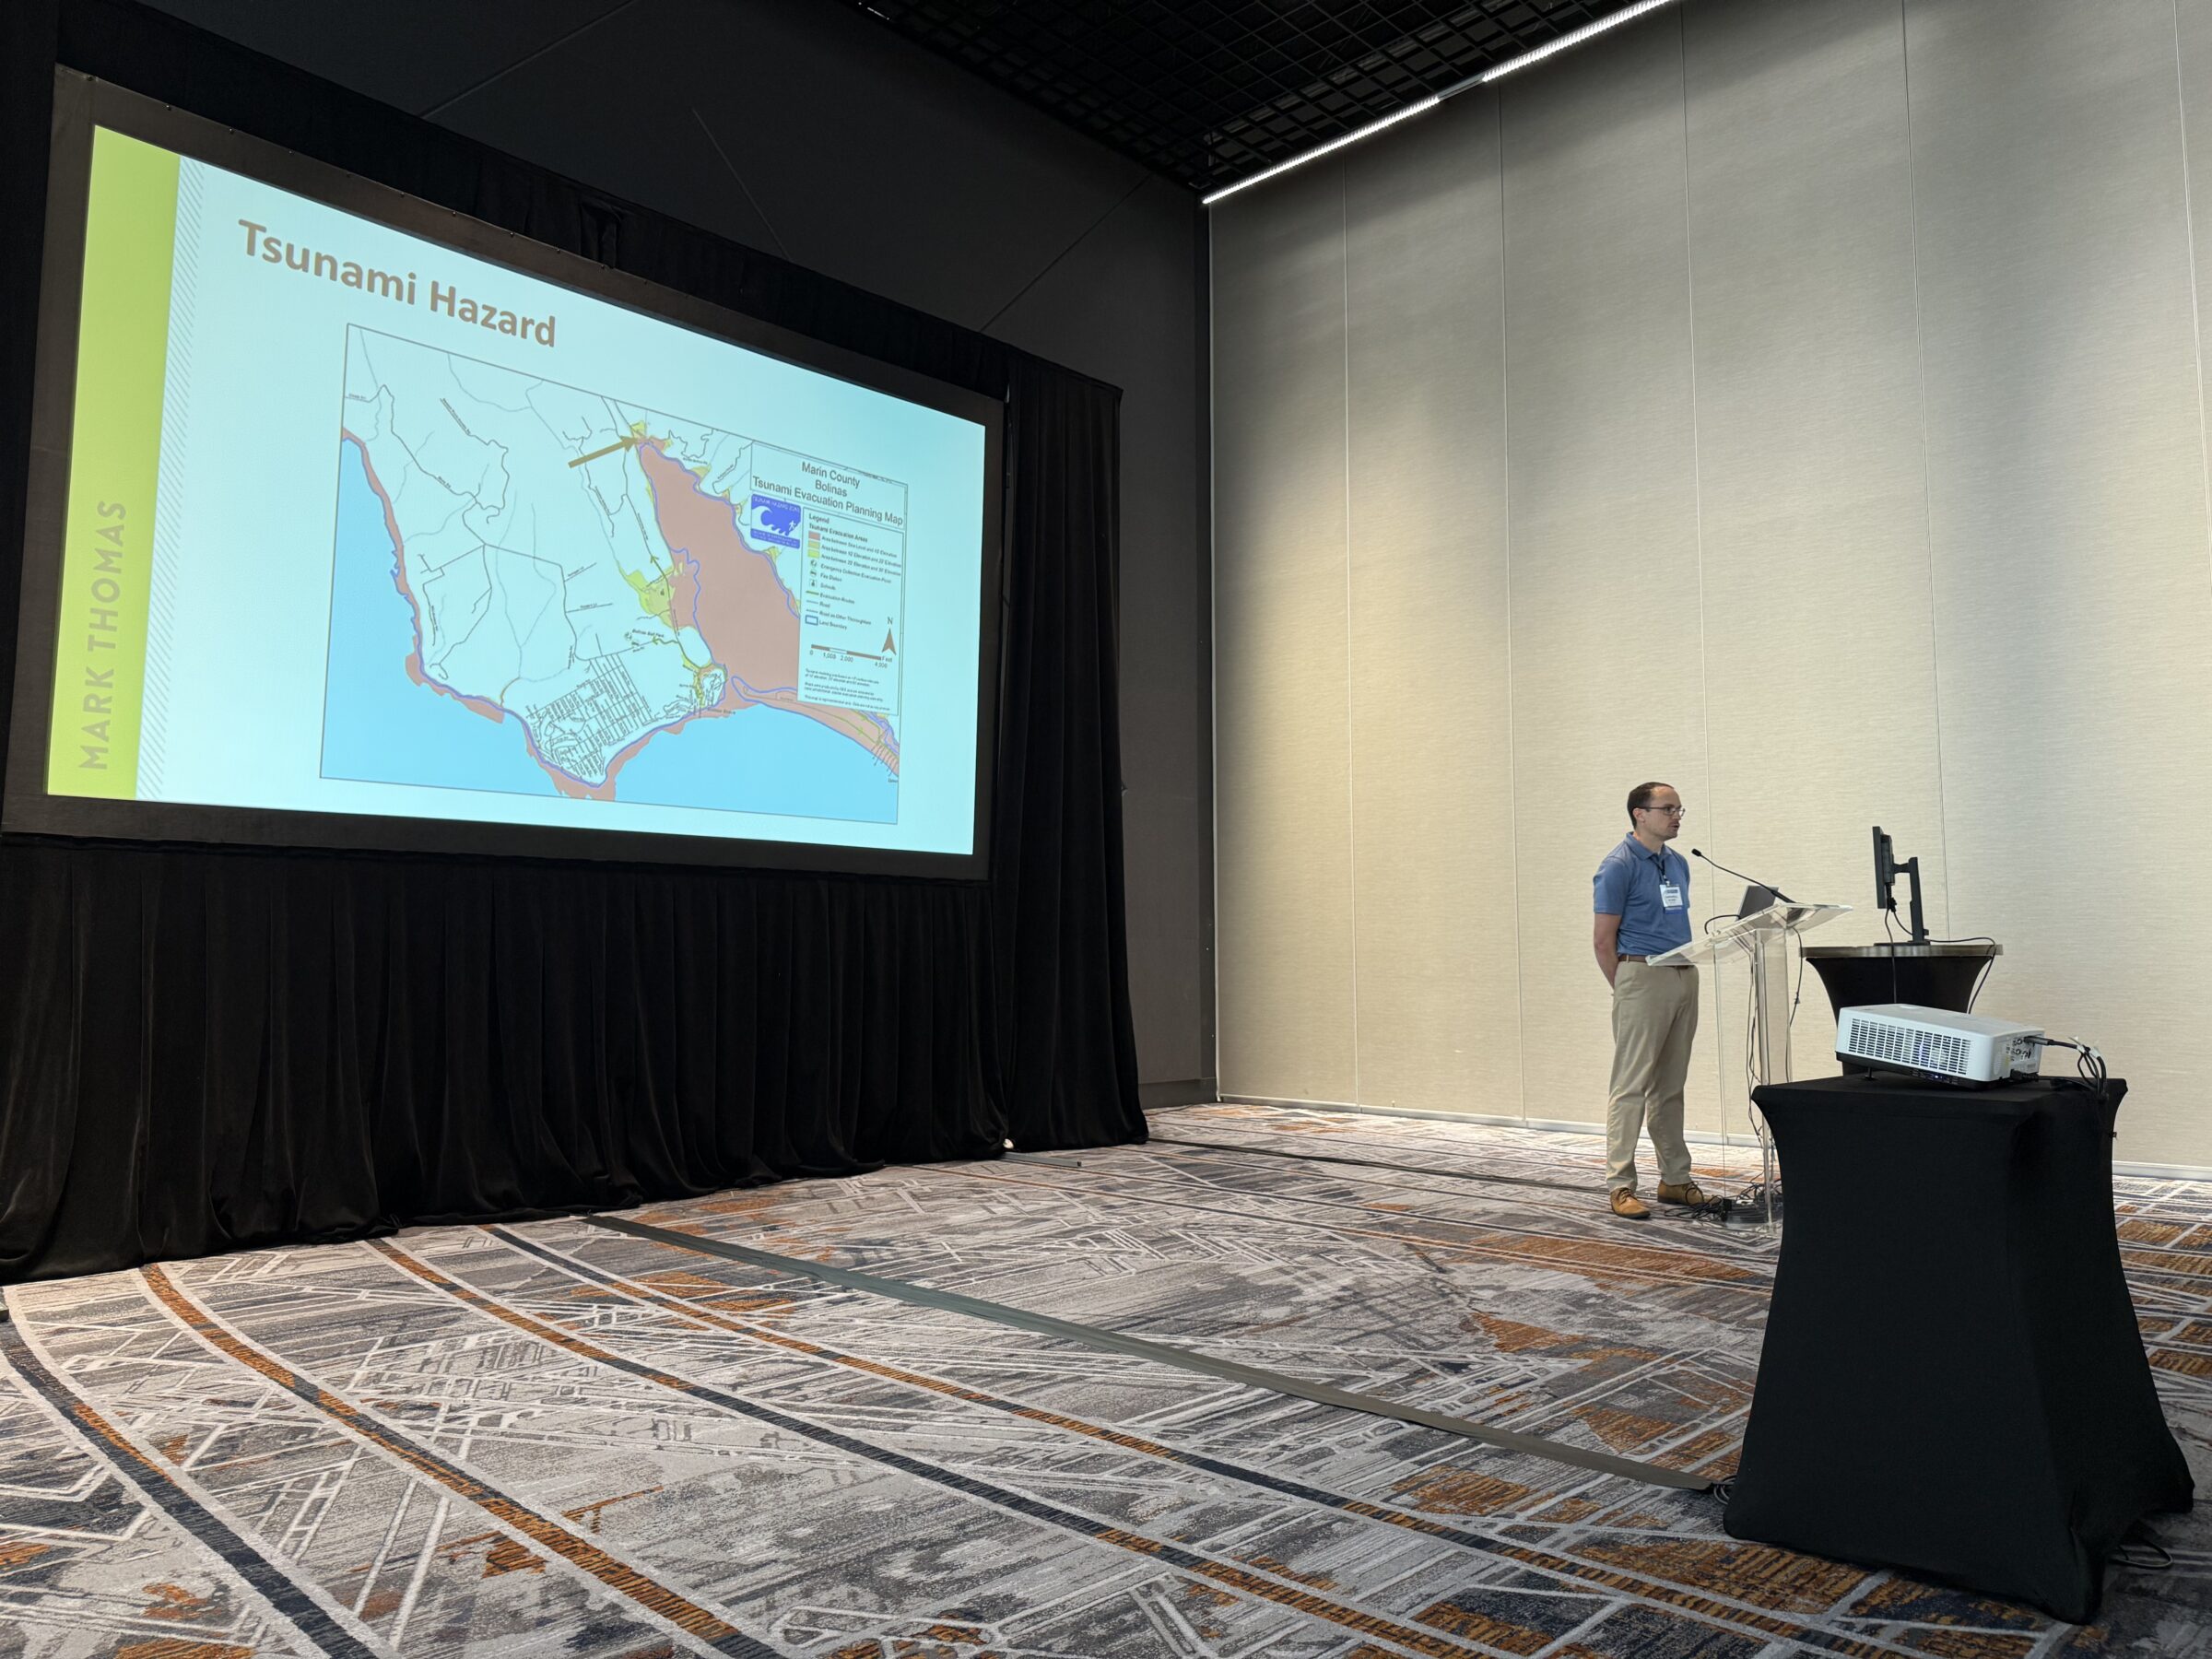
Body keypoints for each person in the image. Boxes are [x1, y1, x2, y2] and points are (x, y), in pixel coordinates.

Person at [1592, 782, 1708, 1220]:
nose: (1676, 816)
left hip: (1683, 974)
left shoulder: (1677, 863)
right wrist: (1626, 985)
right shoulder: (1617, 866)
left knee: (1671, 1085)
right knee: (1631, 1086)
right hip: (1641, 975)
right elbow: (1603, 941)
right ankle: (1620, 1184)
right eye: (1667, 808)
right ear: (1639, 814)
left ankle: (1675, 1178)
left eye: (1679, 809)